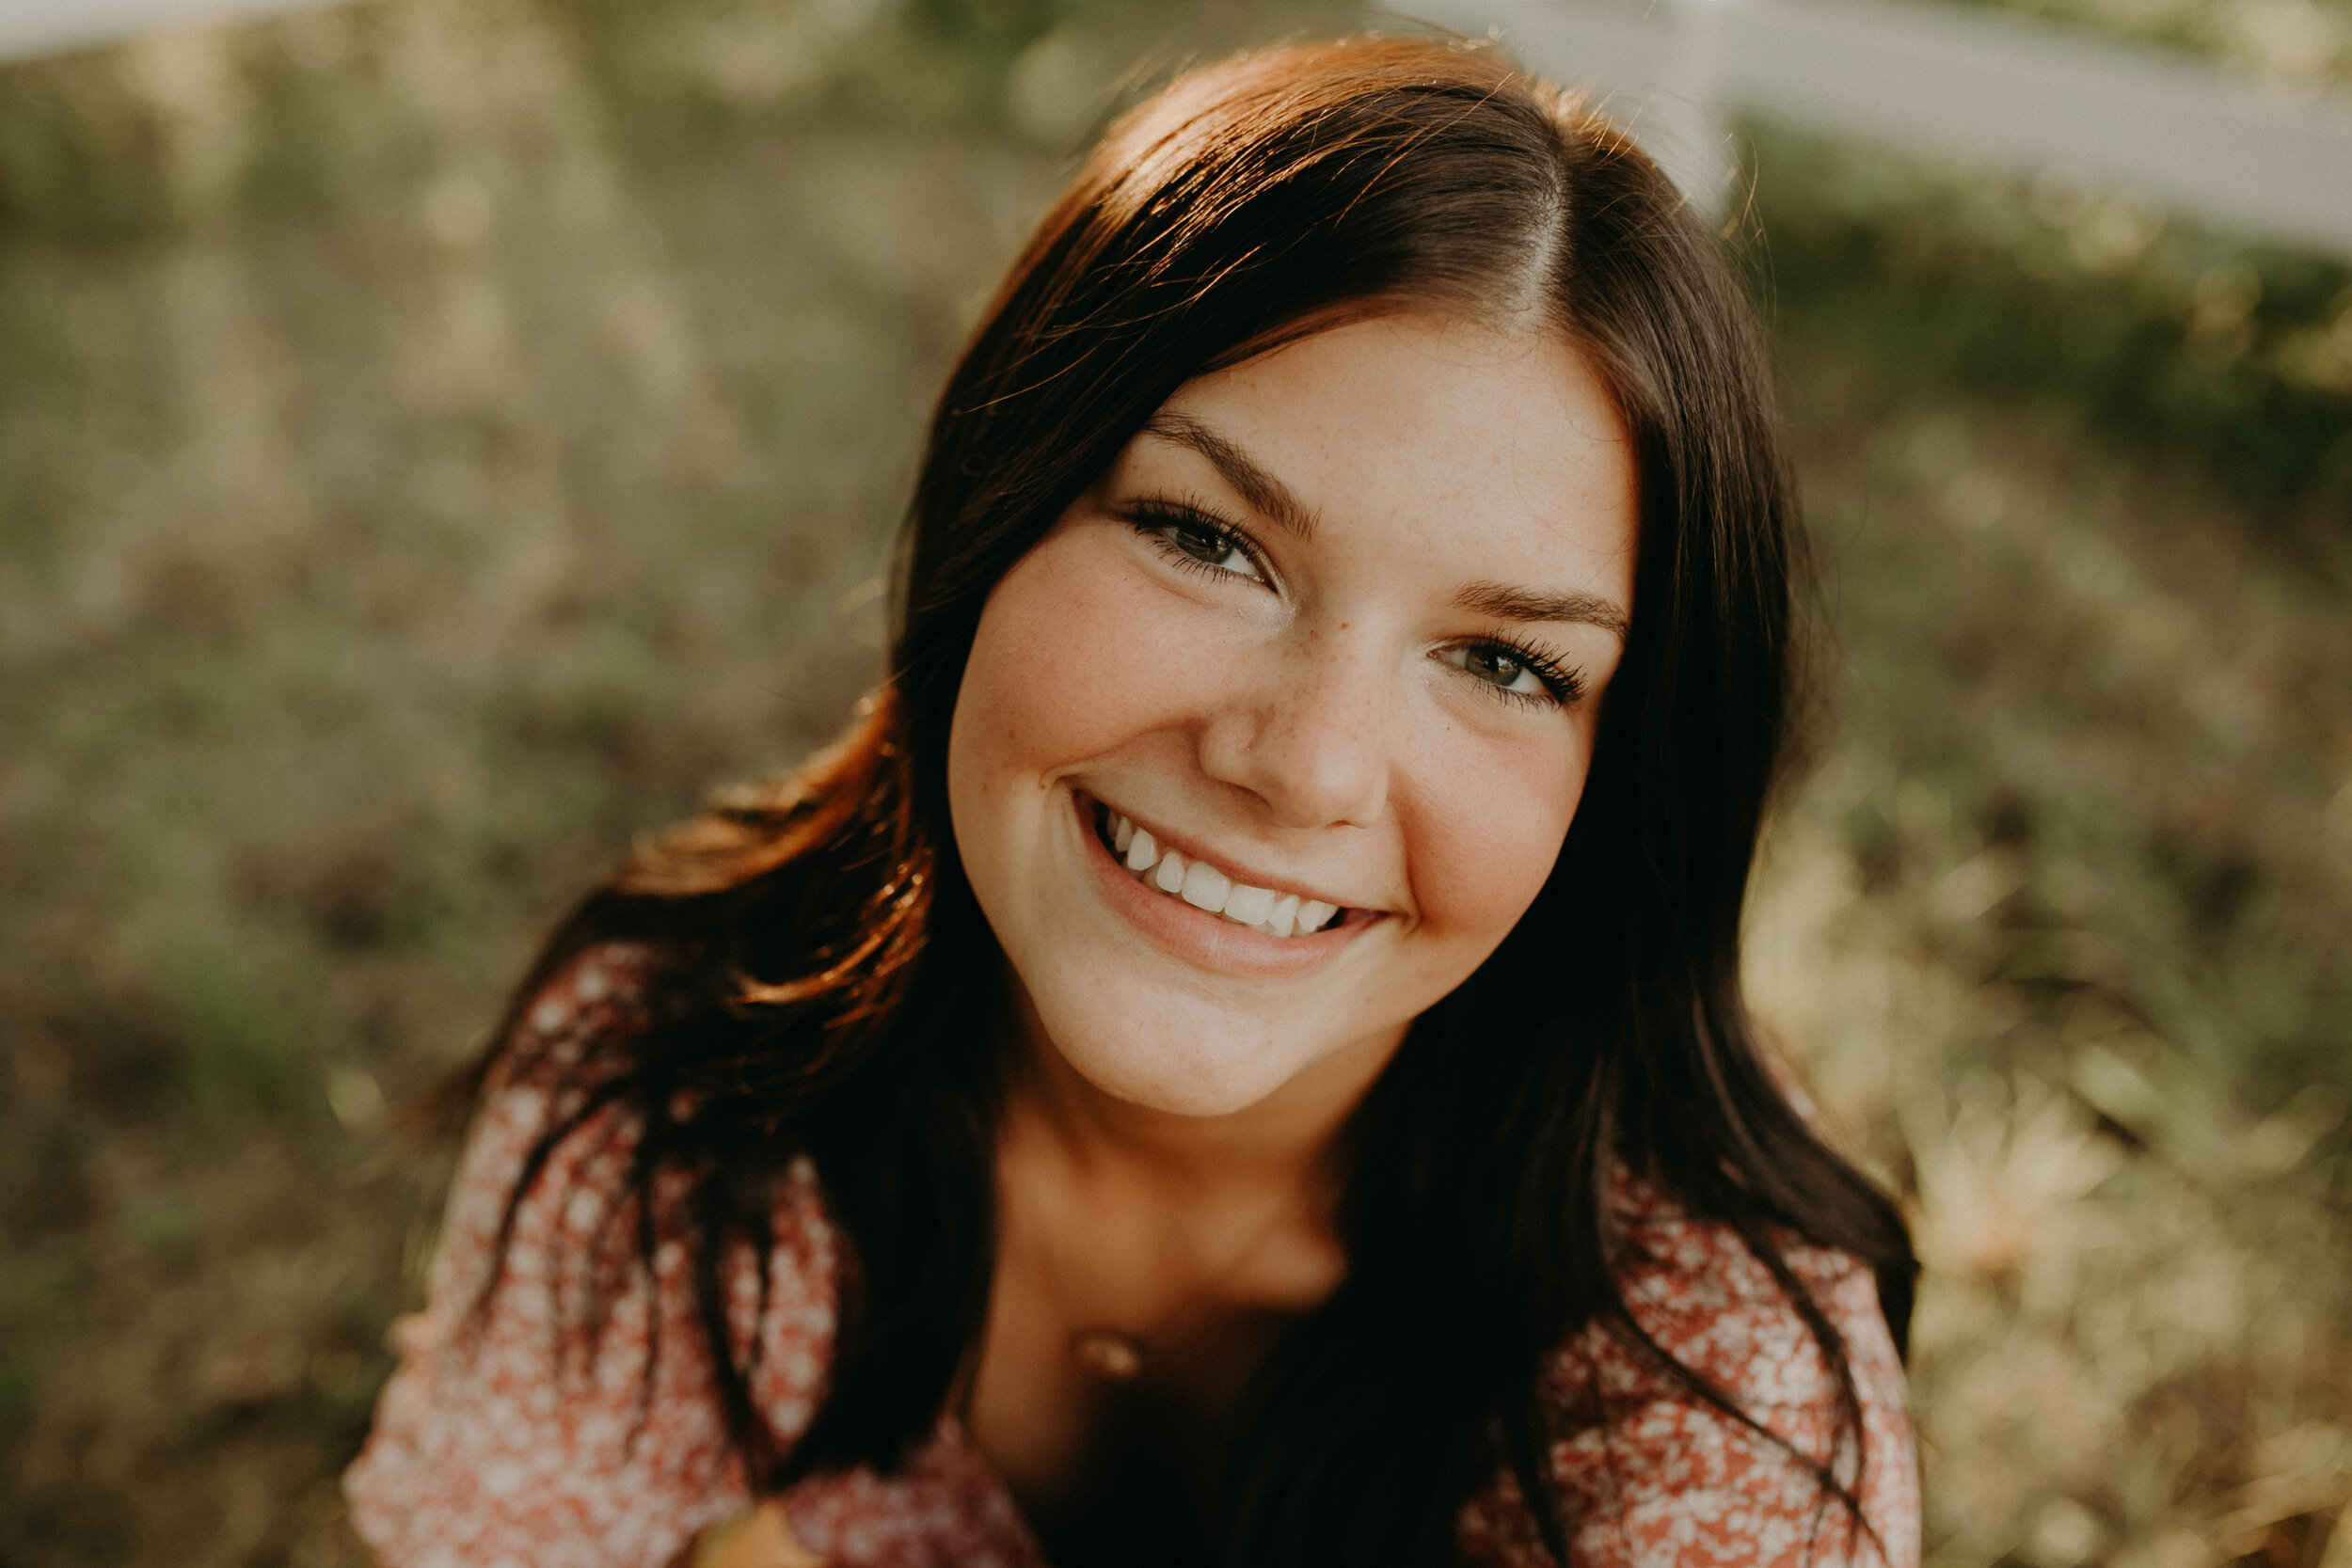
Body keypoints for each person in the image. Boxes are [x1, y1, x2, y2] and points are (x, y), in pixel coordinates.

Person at [344, 33, 1920, 1568]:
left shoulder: (1717, 1392)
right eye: (1207, 540)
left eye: (1507, 664)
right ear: (996, 507)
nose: (1302, 765)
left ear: (1626, 779)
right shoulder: (678, 1081)